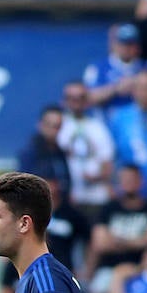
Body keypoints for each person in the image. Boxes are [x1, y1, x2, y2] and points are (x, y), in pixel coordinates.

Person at [86, 164, 147, 293]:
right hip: (109, 267)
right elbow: (100, 244)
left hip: (141, 267)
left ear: (141, 181)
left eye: (132, 179)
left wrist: (118, 241)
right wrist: (138, 241)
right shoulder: (109, 208)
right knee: (98, 292)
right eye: (124, 179)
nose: (128, 182)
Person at [58, 82, 115, 221]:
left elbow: (107, 162)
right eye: (71, 98)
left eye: (81, 97)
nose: (76, 102)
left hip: (97, 197)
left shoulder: (98, 127)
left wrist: (98, 176)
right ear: (64, 101)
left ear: (88, 100)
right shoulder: (58, 125)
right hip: (67, 197)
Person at [84, 23, 146, 111]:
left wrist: (139, 84)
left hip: (135, 121)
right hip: (107, 119)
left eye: (132, 44)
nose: (128, 48)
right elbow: (88, 98)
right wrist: (116, 88)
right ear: (116, 44)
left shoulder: (144, 66)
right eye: (125, 43)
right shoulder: (98, 68)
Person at [17, 105, 73, 202]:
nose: (53, 130)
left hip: (61, 206)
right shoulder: (30, 152)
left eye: (57, 126)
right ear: (40, 125)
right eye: (49, 125)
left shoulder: (60, 153)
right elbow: (22, 186)